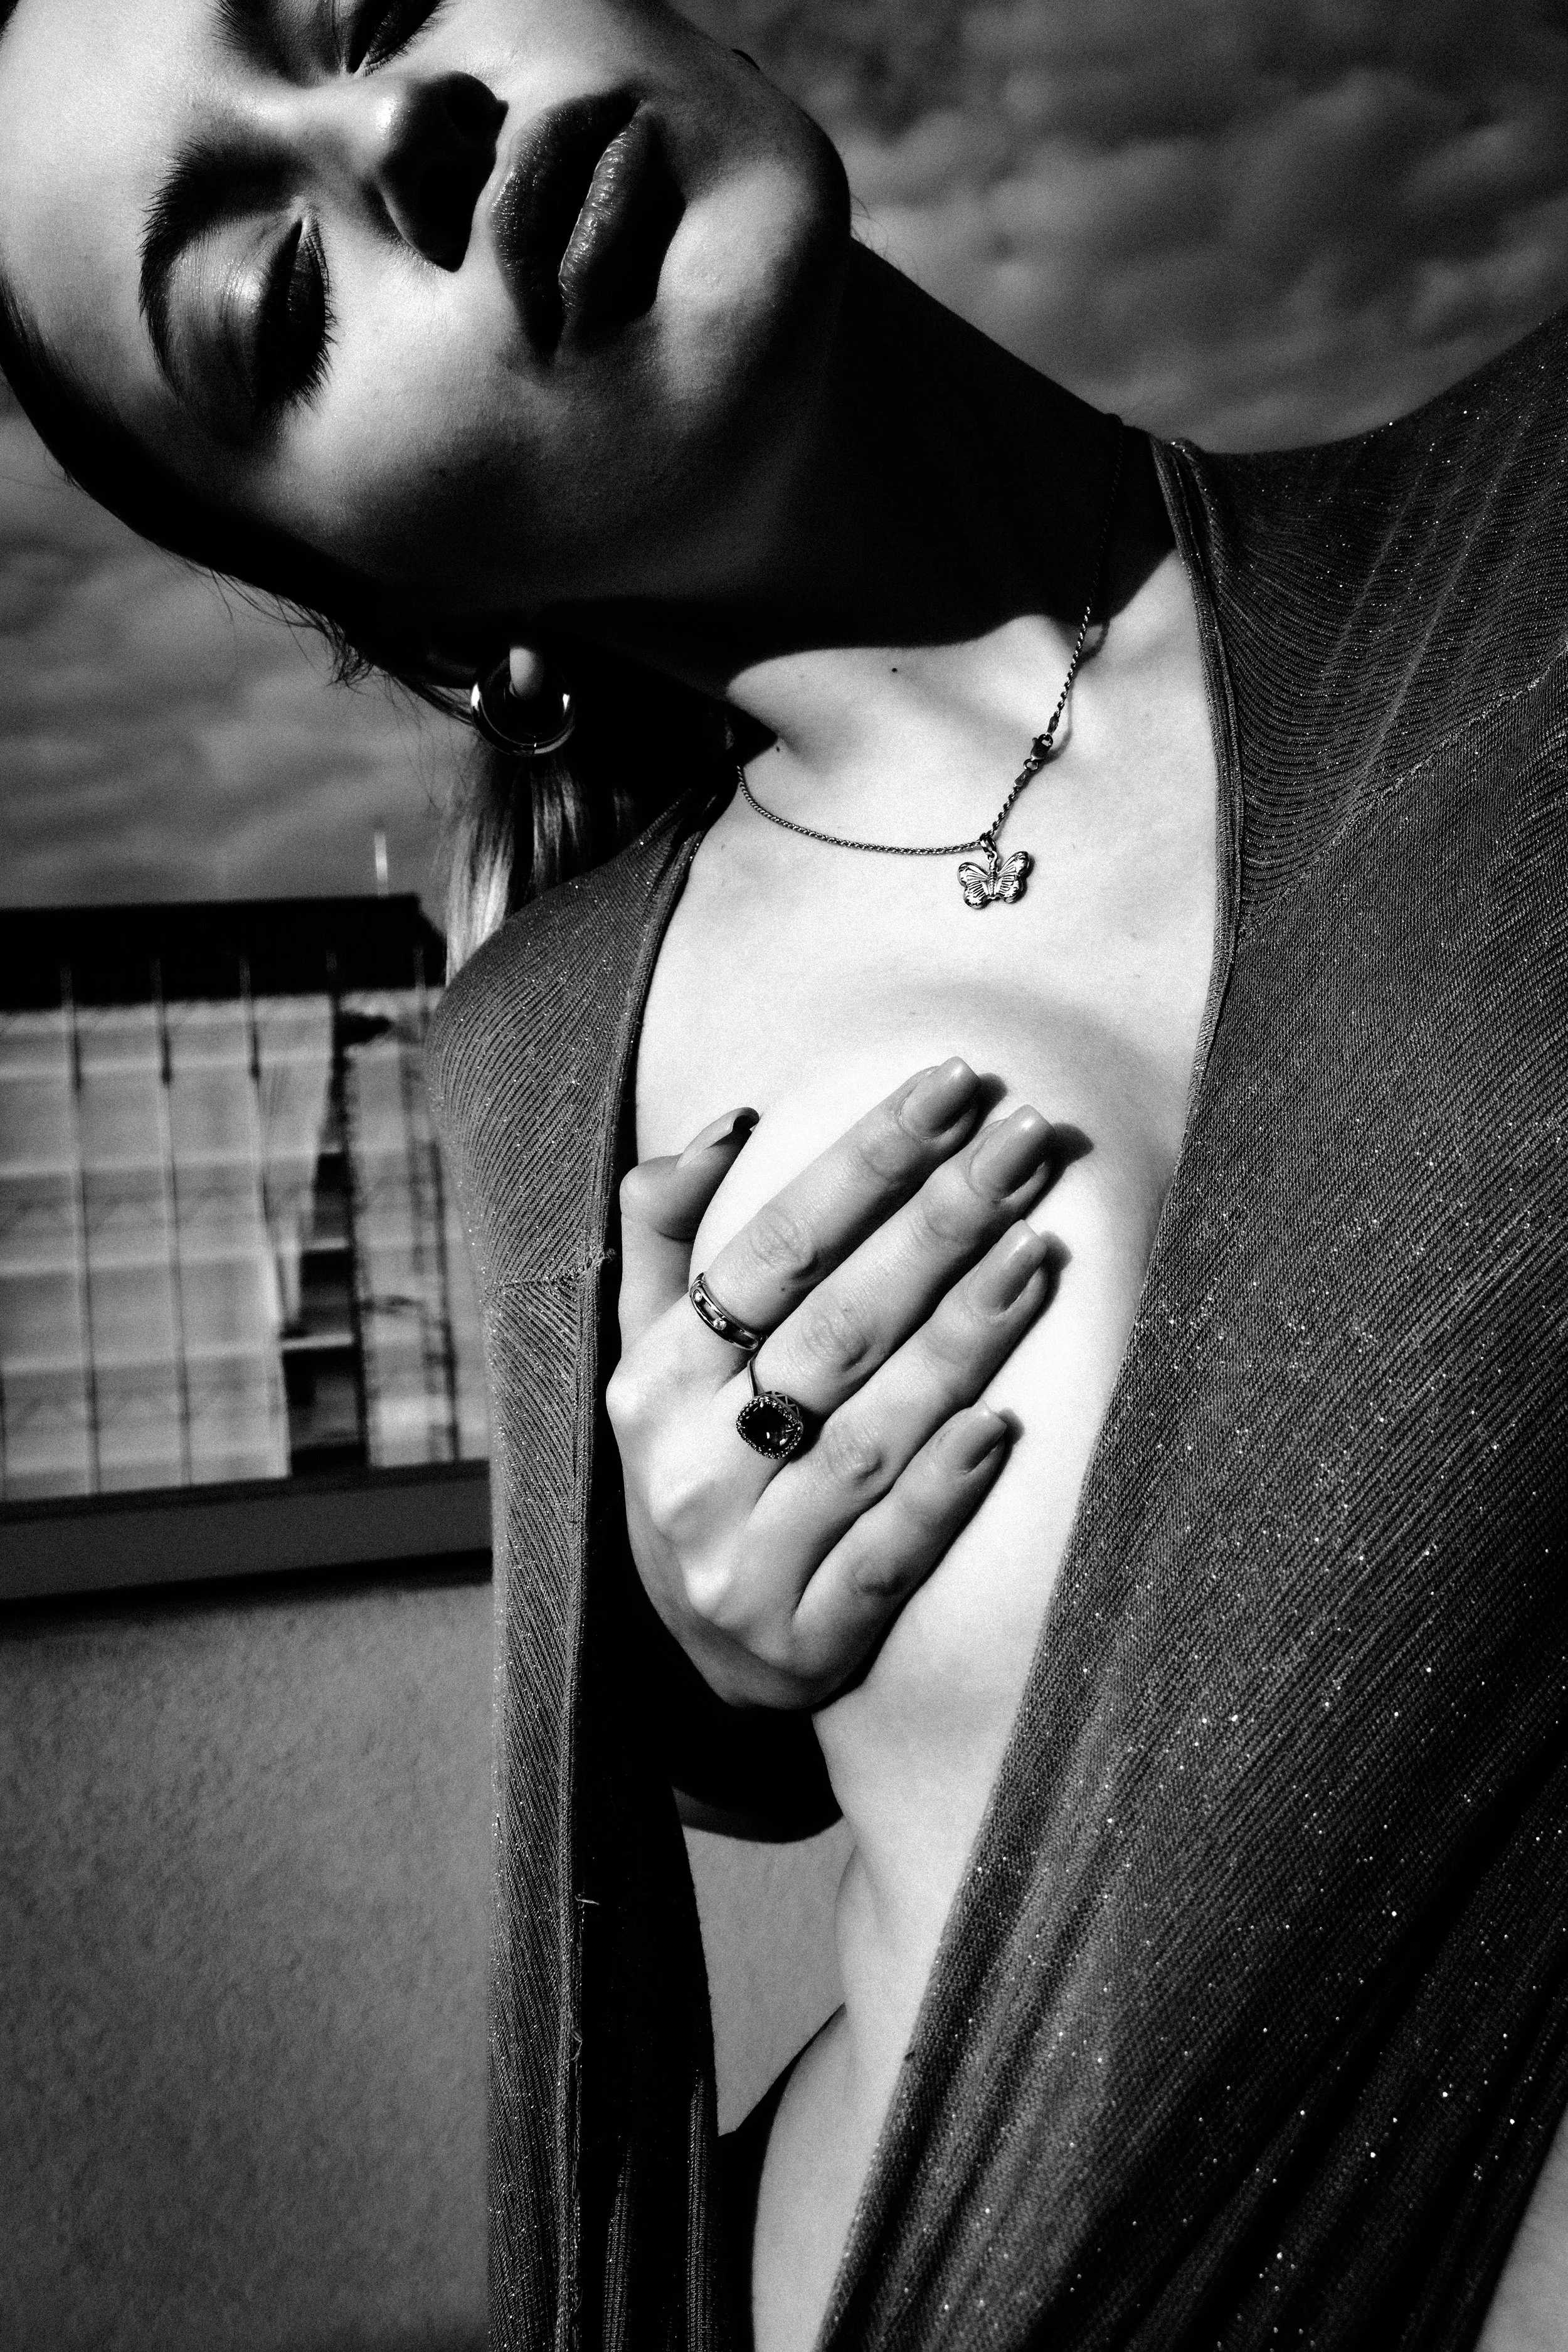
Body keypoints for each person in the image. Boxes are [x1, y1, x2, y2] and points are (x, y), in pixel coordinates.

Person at [1, 3, 1564, 2347]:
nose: (398, 132)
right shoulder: (549, 1054)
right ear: (419, 622)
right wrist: (692, 1626)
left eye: (361, 6)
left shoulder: (1527, 551)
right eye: (277, 306)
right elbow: (799, 1770)